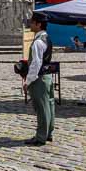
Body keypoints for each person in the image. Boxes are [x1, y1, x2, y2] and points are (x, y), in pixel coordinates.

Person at [23, 12, 55, 146]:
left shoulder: (38, 42)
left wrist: (27, 82)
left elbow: (36, 64)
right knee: (49, 106)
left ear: (38, 24)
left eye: (32, 22)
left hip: (39, 78)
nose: (30, 24)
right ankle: (48, 133)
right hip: (47, 77)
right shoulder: (47, 38)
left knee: (41, 108)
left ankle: (41, 136)